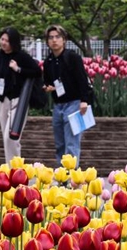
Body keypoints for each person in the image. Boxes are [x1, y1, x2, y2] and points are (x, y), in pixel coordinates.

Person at [0, 27, 42, 165]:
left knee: (11, 137)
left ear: (14, 42)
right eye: (2, 39)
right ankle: (12, 167)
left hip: (18, 101)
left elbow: (37, 72)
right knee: (6, 139)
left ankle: (15, 170)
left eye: (7, 41)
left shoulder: (21, 56)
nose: (3, 43)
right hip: (3, 101)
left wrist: (18, 69)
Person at [42, 25, 94, 166]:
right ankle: (61, 174)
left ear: (64, 40)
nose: (54, 40)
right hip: (58, 106)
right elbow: (47, 81)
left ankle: (71, 175)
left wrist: (84, 100)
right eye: (51, 38)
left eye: (57, 37)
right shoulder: (48, 62)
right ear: (47, 42)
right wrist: (48, 87)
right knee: (60, 144)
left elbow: (82, 80)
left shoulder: (72, 57)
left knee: (71, 143)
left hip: (74, 104)